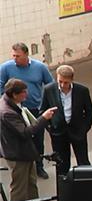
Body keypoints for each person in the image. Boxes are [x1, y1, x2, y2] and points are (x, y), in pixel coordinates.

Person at [0, 78, 57, 201]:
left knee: (31, 181)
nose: (26, 95)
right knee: (19, 186)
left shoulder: (10, 103)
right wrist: (44, 118)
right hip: (17, 154)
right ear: (14, 94)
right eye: (24, 93)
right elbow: (25, 133)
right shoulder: (7, 112)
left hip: (23, 151)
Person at [0, 42, 54, 179]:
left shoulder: (40, 67)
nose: (14, 58)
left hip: (35, 109)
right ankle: (26, 165)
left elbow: (50, 85)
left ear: (26, 54)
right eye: (13, 55)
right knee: (21, 138)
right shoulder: (6, 68)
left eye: (17, 56)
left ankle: (39, 166)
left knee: (38, 139)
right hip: (16, 111)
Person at [39, 65, 92, 176]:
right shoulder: (49, 90)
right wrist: (50, 128)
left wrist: (84, 129)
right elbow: (43, 111)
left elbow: (89, 112)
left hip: (78, 132)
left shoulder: (82, 90)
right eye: (60, 81)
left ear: (72, 80)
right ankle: (64, 191)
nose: (63, 85)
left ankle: (87, 188)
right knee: (62, 164)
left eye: (66, 82)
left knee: (83, 162)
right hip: (58, 133)